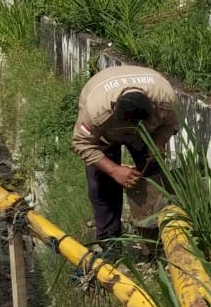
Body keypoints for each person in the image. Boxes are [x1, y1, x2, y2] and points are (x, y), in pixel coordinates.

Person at [71, 66, 179, 242]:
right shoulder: (96, 111)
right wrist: (114, 170)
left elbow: (170, 125)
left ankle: (154, 240)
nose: (131, 134)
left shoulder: (165, 101)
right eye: (128, 130)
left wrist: (158, 143)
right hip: (105, 133)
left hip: (148, 133)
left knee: (153, 175)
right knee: (102, 185)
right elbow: (81, 143)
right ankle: (110, 244)